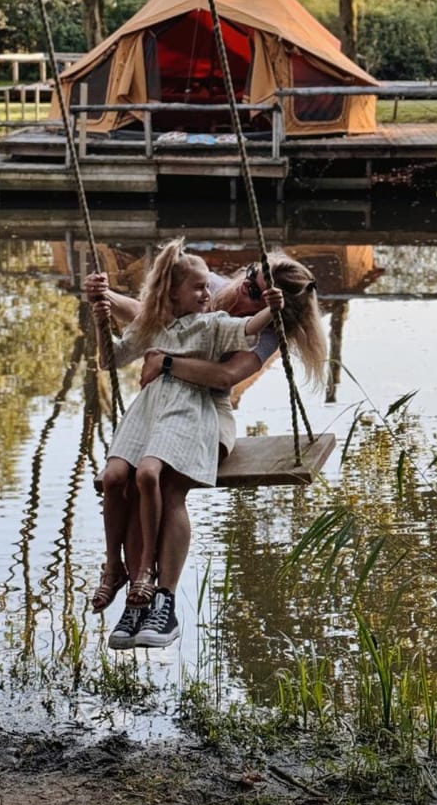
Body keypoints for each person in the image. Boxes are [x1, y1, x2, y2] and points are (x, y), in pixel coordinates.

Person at [86, 248, 326, 651]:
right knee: (124, 483)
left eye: (257, 293)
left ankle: (164, 600)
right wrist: (105, 300)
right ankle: (133, 595)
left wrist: (164, 362)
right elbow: (152, 315)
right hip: (161, 405)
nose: (245, 293)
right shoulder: (208, 285)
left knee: (167, 486)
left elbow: (224, 376)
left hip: (206, 410)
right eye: (251, 281)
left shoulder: (265, 332)